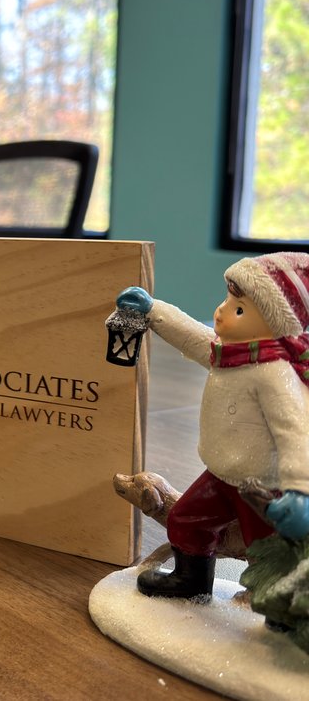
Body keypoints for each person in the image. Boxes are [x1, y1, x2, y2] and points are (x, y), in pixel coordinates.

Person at [116, 251, 309, 601]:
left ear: (275, 322)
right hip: (220, 474)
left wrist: (300, 490)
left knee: (264, 546)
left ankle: (270, 599)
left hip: (261, 485)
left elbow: (296, 433)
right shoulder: (228, 353)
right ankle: (191, 580)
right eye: (228, 301)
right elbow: (190, 334)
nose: (221, 311)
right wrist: (152, 310)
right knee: (186, 519)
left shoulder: (275, 376)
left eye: (239, 310)